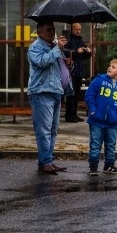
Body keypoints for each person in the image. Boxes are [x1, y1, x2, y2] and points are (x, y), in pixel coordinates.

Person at [27, 21, 70, 175]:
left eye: (53, 30)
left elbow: (57, 68)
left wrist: (67, 64)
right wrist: (58, 49)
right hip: (41, 92)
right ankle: (45, 162)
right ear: (39, 32)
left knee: (52, 130)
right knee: (44, 129)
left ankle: (48, 161)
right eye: (48, 30)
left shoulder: (54, 47)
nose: (52, 33)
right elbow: (42, 62)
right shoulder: (35, 47)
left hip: (55, 91)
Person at [85, 59, 117, 175]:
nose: (109, 68)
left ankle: (109, 165)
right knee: (95, 143)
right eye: (110, 66)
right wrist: (93, 110)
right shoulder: (99, 80)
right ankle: (93, 165)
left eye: (113, 67)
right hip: (96, 120)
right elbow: (89, 95)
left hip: (112, 122)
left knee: (111, 144)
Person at [64, 22, 91, 123]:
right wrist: (76, 51)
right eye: (76, 29)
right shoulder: (68, 40)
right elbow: (66, 53)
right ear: (72, 29)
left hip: (80, 70)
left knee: (77, 94)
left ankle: (74, 114)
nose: (78, 31)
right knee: (71, 93)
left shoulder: (81, 41)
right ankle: (69, 115)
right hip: (72, 71)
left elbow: (85, 57)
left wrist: (88, 52)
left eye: (80, 29)